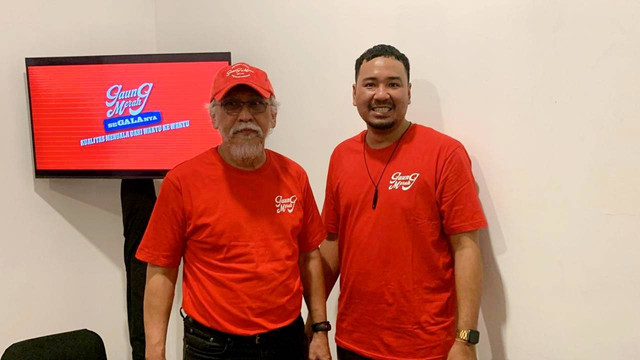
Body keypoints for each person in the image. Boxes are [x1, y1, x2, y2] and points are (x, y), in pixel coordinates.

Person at [136, 62, 332, 360]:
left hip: (285, 343)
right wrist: (154, 352)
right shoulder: (182, 182)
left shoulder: (295, 176)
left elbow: (309, 256)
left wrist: (319, 329)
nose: (245, 116)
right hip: (213, 348)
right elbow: (161, 270)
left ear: (273, 116)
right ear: (213, 116)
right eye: (231, 105)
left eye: (256, 104)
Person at [319, 45, 487, 360]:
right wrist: (316, 324)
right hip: (352, 342)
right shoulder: (341, 156)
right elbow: (332, 241)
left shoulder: (445, 154)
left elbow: (467, 249)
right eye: (370, 84)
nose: (381, 94)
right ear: (354, 93)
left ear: (408, 93)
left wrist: (465, 339)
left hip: (425, 347)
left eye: (393, 84)